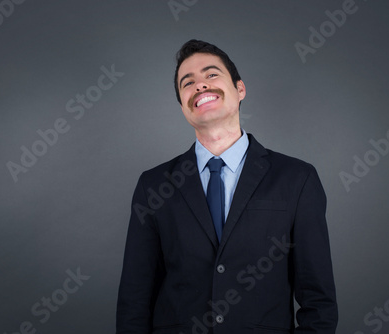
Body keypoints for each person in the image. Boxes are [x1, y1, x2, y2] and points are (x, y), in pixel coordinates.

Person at [116, 39, 338, 334]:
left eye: (211, 75)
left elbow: (318, 302)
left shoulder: (297, 178)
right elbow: (134, 299)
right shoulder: (153, 185)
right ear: (183, 105)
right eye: (188, 83)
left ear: (240, 89)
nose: (200, 86)